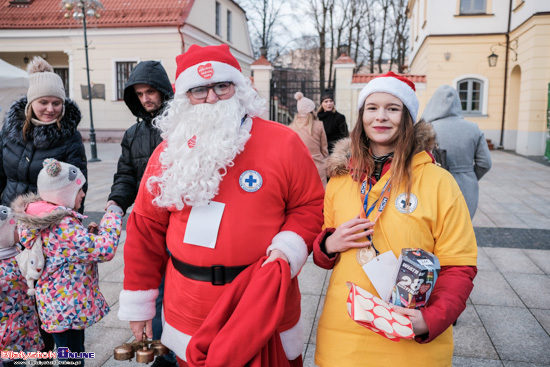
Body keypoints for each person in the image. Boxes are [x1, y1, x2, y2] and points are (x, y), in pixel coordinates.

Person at [117, 44, 324, 367]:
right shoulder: (168, 153)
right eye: (199, 90)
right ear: (185, 98)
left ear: (238, 89)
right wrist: (141, 304)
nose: (211, 98)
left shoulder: (283, 142)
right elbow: (145, 228)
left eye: (221, 87)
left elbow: (310, 205)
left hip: (262, 300)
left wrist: (288, 249)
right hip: (189, 306)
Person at [313, 72, 477, 366]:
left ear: (408, 117)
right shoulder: (339, 180)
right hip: (345, 331)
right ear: (362, 116)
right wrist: (328, 244)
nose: (381, 117)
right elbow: (324, 251)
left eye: (393, 108)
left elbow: (460, 264)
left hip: (409, 333)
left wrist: (430, 320)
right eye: (372, 108)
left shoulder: (438, 181)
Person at [0, 56, 88, 353]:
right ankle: (31, 353)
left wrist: (59, 228)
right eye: (44, 102)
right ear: (30, 103)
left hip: (48, 232)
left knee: (52, 299)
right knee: (20, 299)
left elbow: (76, 186)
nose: (51, 109)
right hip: (11, 228)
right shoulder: (11, 131)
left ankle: (60, 354)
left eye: (57, 103)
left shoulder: (69, 137)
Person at [12, 158, 123, 367]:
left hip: (58, 307)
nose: (83, 194)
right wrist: (113, 215)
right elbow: (104, 249)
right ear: (63, 194)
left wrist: (88, 234)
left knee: (69, 355)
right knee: (72, 359)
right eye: (79, 189)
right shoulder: (62, 225)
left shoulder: (48, 217)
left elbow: (69, 250)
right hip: (66, 310)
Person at [105, 61, 176, 367]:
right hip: (150, 225)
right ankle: (165, 353)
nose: (146, 98)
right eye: (140, 93)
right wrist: (115, 202)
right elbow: (126, 175)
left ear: (163, 90)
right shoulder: (133, 134)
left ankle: (184, 348)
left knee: (183, 290)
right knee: (155, 290)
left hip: (181, 221)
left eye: (150, 91)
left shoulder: (180, 125)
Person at [422, 84, 492, 218]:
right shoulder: (473, 128)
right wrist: (469, 175)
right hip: (466, 186)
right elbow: (485, 163)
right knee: (463, 230)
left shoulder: (425, 128)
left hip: (433, 185)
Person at [0, 205, 44, 367]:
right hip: (5, 337)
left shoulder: (17, 251)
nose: (20, 229)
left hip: (22, 328)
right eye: (15, 226)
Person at [289, 92, 328, 187]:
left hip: (297, 168)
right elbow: (324, 150)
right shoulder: (319, 125)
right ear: (311, 110)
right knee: (320, 197)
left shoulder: (291, 128)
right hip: (317, 167)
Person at [317, 89, 348, 154]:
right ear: (321, 104)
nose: (329, 104)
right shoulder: (317, 118)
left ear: (334, 102)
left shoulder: (340, 117)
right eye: (326, 101)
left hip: (334, 151)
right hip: (319, 151)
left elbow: (344, 136)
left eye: (331, 101)